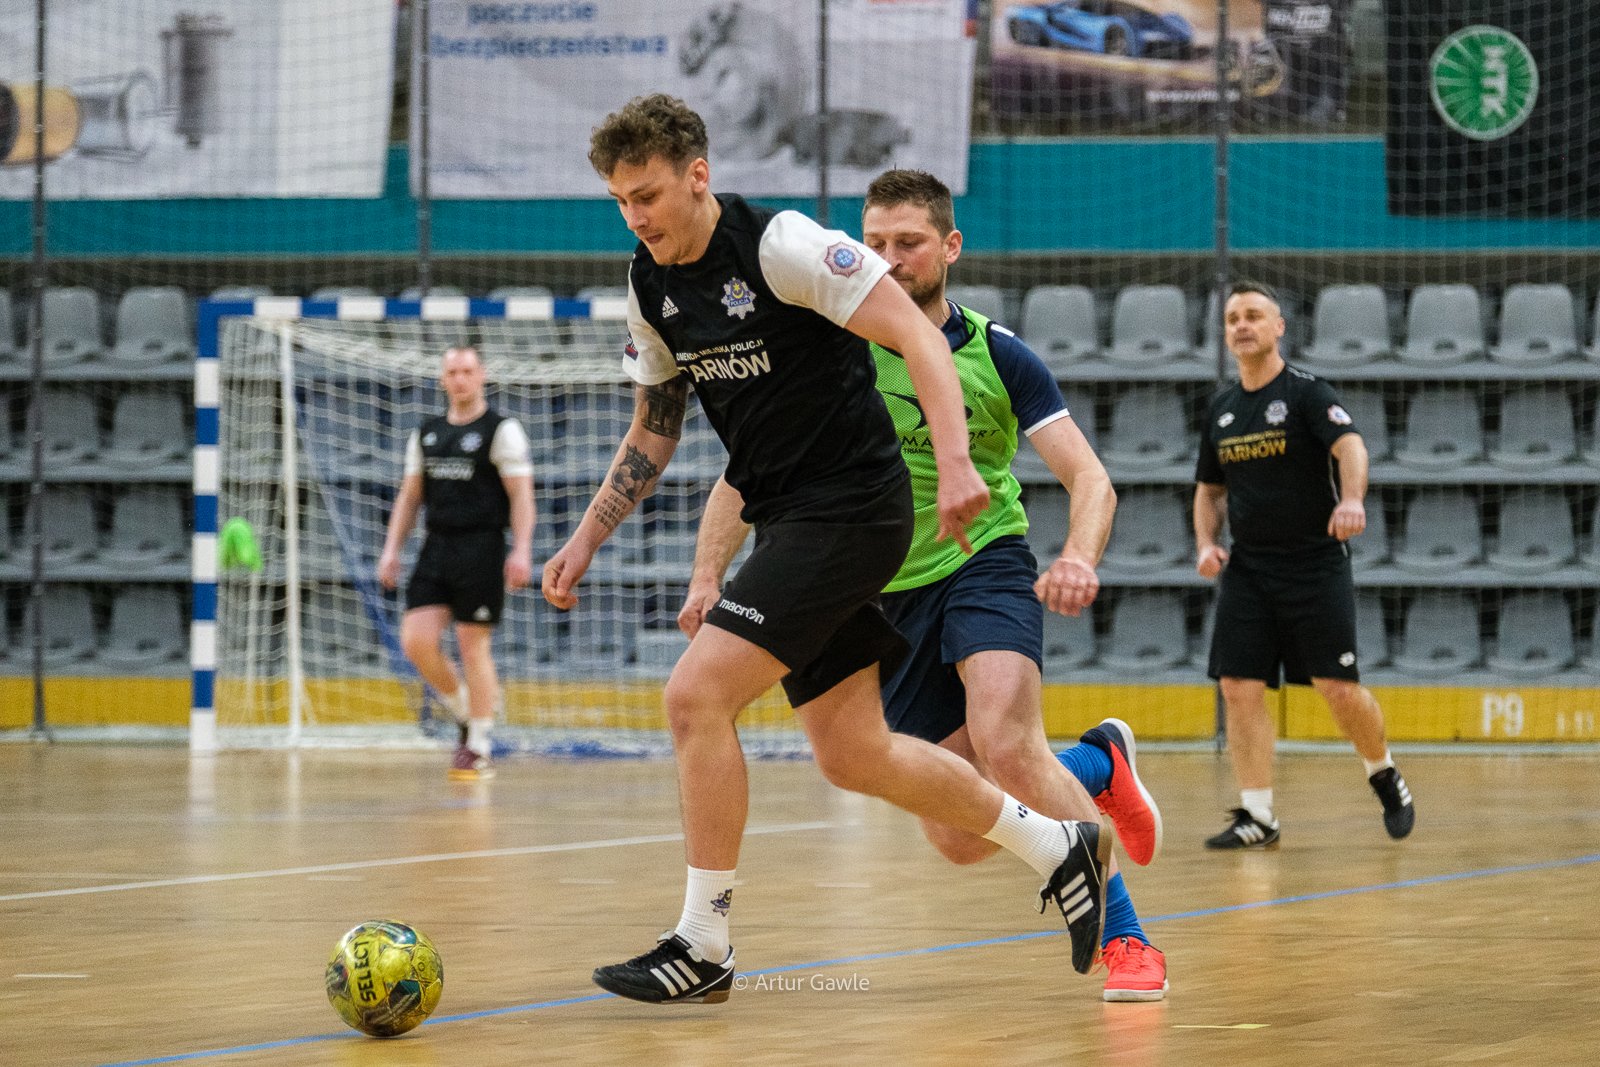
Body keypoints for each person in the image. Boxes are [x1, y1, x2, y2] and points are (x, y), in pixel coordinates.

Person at [543, 94, 1113, 1005]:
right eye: (620, 200)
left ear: (698, 176)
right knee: (853, 753)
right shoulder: (649, 285)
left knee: (694, 696)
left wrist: (955, 464)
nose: (635, 216)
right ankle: (1058, 844)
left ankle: (704, 942)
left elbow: (919, 336)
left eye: (647, 194)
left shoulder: (782, 246)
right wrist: (584, 538)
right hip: (792, 517)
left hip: (852, 507)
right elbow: (655, 423)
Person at [679, 168, 1168, 1003]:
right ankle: (1097, 762)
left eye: (908, 243)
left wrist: (1079, 555)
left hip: (981, 558)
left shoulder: (999, 354)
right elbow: (749, 468)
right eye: (874, 243)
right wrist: (706, 571)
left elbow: (1090, 476)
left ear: (950, 247)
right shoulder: (829, 347)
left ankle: (1126, 937)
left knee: (1006, 739)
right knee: (959, 837)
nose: (890, 258)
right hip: (875, 586)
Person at [1194, 282, 1415, 848]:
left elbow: (1351, 446)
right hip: (1250, 569)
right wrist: (1205, 543)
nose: (1242, 325)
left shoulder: (1308, 393)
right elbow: (1210, 489)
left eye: (1253, 315)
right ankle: (1258, 815)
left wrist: (1352, 500)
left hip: (1315, 565)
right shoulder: (1221, 407)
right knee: (1238, 685)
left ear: (1279, 327)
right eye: (1232, 318)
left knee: (1336, 686)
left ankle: (1383, 771)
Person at [378, 345, 535, 781]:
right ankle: (466, 709)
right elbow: (410, 497)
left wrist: (521, 549)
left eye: (467, 371)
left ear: (481, 375)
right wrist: (391, 549)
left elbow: (522, 495)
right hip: (437, 546)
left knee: (472, 645)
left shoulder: (501, 430)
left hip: (482, 546)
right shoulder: (426, 433)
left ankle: (479, 745)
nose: (460, 379)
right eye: (452, 372)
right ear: (442, 380)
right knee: (416, 641)